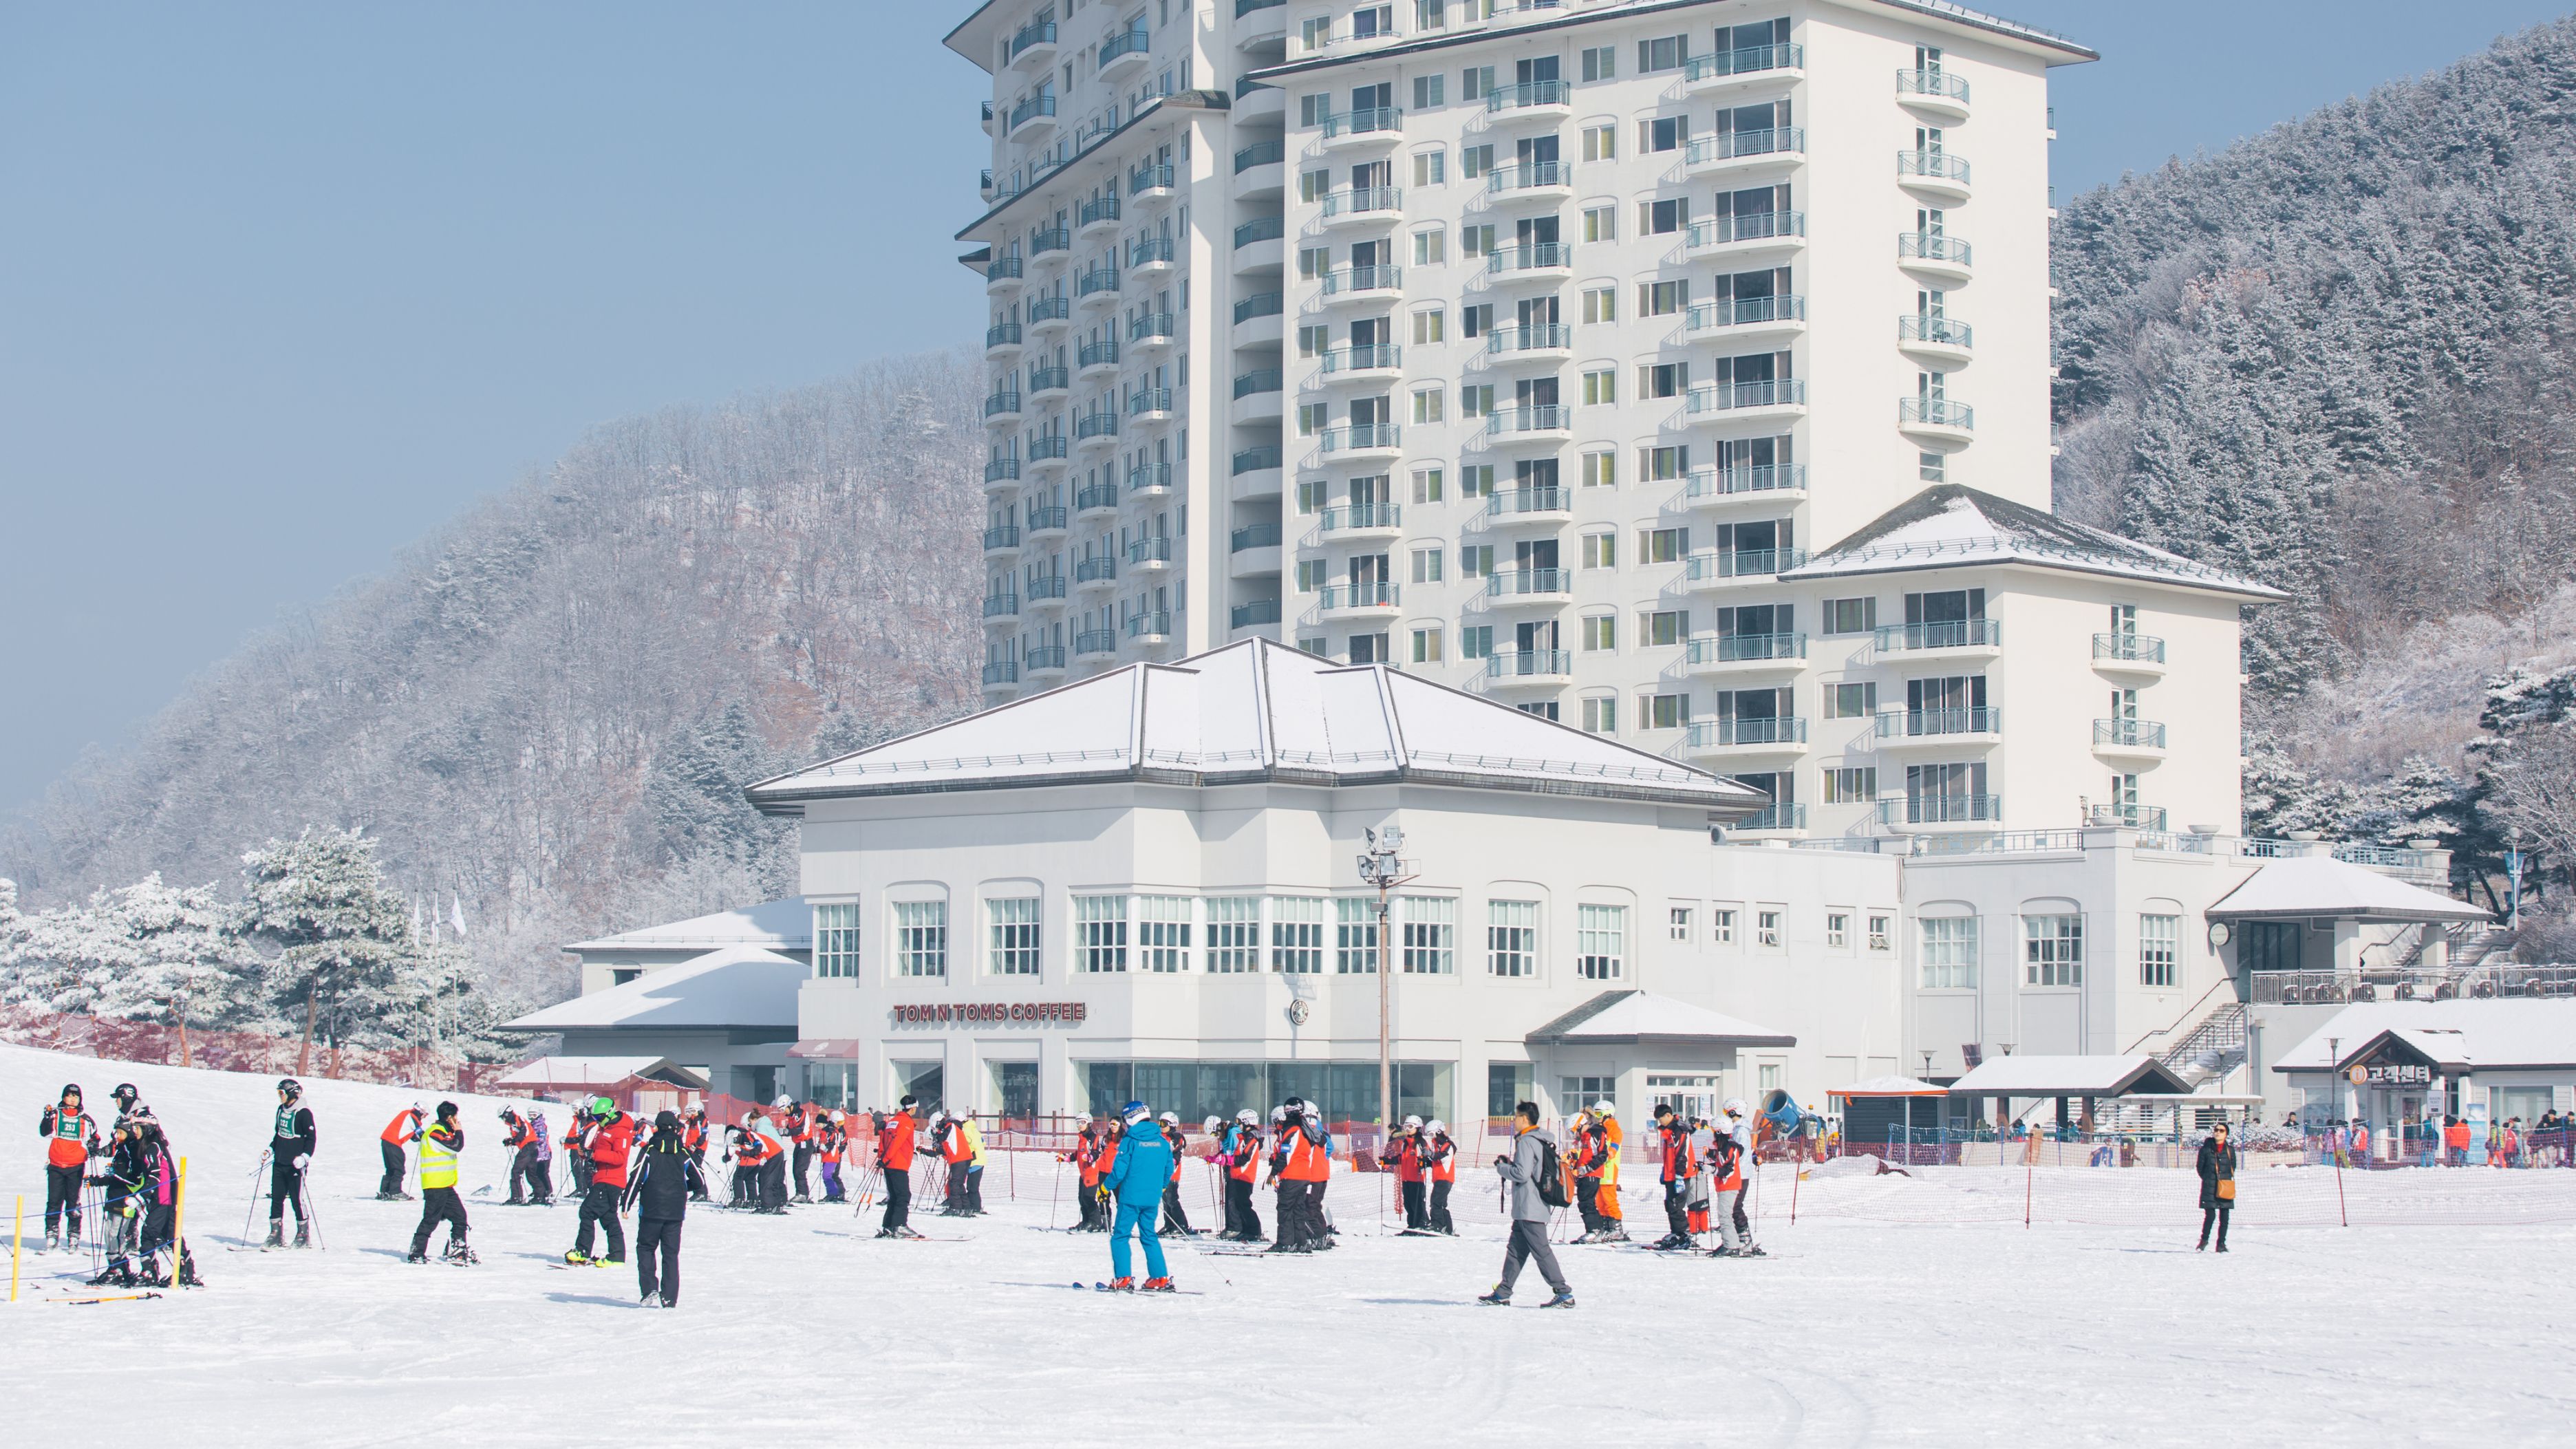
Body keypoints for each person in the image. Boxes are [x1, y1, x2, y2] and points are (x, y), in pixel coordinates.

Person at [1479, 1101, 1574, 1309]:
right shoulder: (1539, 1140)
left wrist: (1503, 1168)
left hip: (1530, 1208)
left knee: (1541, 1251)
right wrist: (1510, 1164)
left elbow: (1521, 1174)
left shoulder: (1526, 1142)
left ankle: (1563, 1293)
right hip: (1528, 1208)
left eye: (1516, 1117)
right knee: (1515, 1250)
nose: (1514, 1121)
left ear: (1524, 1119)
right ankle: (1503, 1292)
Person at [1102, 1101, 1177, 1291]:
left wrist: (1105, 1188)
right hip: (1152, 1198)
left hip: (1130, 1198)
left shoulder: (1130, 1141)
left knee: (1120, 1236)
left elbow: (1119, 1171)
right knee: (1149, 1235)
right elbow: (1169, 1168)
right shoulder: (1161, 1141)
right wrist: (1161, 1187)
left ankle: (1123, 1278)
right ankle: (1159, 1277)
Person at [623, 1110, 695, 1308]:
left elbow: (636, 1178)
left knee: (646, 1248)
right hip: (675, 1212)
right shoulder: (683, 1152)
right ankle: (670, 1298)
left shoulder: (650, 1150)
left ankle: (649, 1289)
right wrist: (679, 1187)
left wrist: (626, 1204)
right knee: (670, 1254)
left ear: (656, 1128)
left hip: (651, 1210)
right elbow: (699, 1181)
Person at [565, 1095, 632, 1266]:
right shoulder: (604, 1129)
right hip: (602, 1178)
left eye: (600, 1118)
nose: (597, 1121)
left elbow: (619, 1157)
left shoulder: (621, 1131)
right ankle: (617, 1256)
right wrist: (588, 1155)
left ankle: (583, 1251)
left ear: (609, 1114)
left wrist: (595, 1155)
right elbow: (600, 1151)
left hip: (611, 1180)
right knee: (608, 1217)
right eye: (595, 1118)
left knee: (587, 1211)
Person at [407, 1102, 475, 1265]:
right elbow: (456, 1147)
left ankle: (457, 1251)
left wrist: (454, 1130)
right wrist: (458, 1131)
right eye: (455, 1117)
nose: (458, 1120)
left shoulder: (442, 1131)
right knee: (430, 1220)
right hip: (435, 1186)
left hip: (445, 1185)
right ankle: (416, 1253)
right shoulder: (434, 1132)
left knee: (460, 1218)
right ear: (449, 1118)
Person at [90, 1114, 151, 1286]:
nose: (117, 1136)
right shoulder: (122, 1149)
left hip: (125, 1200)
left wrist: (116, 1174)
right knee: (109, 1233)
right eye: (116, 1132)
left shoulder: (134, 1150)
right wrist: (97, 1180)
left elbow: (136, 1178)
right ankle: (114, 1267)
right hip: (114, 1197)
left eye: (120, 1132)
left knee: (116, 1234)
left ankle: (120, 1269)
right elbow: (116, 1176)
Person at [38, 1083, 98, 1252]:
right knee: (54, 1202)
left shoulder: (85, 1119)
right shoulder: (56, 1114)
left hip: (76, 1166)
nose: (72, 1099)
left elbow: (94, 1137)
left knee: (73, 1202)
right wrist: (47, 1117)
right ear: (64, 1097)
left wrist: (94, 1145)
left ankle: (73, 1235)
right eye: (69, 1095)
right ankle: (52, 1233)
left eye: (76, 1096)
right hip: (56, 1165)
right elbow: (44, 1132)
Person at [267, 1077, 318, 1249]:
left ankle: (303, 1234)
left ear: (292, 1093)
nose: (280, 1096)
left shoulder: (304, 1113)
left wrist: (304, 1157)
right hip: (280, 1162)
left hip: (296, 1164)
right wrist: (270, 1149)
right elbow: (279, 1134)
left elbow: (311, 1139)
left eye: (282, 1093)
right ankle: (275, 1234)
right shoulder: (281, 1110)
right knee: (277, 1197)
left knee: (296, 1198)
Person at [1707, 1118, 1757, 1257]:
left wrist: (1712, 1170)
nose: (1713, 1134)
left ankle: (1731, 1245)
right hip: (1726, 1184)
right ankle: (1731, 1243)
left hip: (1728, 1184)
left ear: (1720, 1131)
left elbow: (1728, 1169)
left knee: (1725, 1215)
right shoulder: (1725, 1146)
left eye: (1714, 1131)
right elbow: (1724, 1162)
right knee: (1725, 1214)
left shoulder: (1728, 1146)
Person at [875, 1095, 923, 1238]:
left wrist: (882, 1158)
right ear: (913, 1107)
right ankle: (900, 1225)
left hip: (889, 1163)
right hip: (898, 1163)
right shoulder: (906, 1122)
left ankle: (889, 1226)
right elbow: (897, 1143)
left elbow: (883, 1139)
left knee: (894, 1196)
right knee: (903, 1195)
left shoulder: (892, 1121)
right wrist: (886, 1157)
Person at [1651, 1106, 1698, 1249]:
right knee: (1670, 1204)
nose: (1660, 1122)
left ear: (1667, 1116)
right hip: (1671, 1174)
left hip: (1681, 1174)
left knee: (1676, 1205)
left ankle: (1684, 1235)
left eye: (1660, 1119)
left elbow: (1681, 1155)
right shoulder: (1670, 1131)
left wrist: (1679, 1176)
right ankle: (1676, 1233)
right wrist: (1665, 1172)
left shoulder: (1679, 1130)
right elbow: (1669, 1156)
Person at [1218, 1109, 1264, 1242]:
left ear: (1247, 1122)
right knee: (1238, 1204)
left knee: (1244, 1204)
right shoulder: (1244, 1137)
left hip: (1245, 1175)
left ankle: (1254, 1230)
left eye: (1239, 1122)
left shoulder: (1251, 1137)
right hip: (1239, 1174)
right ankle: (1246, 1230)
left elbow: (1244, 1158)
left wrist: (1227, 1160)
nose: (1238, 1126)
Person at [1722, 1098, 1759, 1253]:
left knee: (1735, 1207)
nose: (1725, 1115)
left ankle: (1745, 1240)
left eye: (1726, 1112)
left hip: (1741, 1174)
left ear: (1733, 1111)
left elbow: (1739, 1153)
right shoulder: (1736, 1129)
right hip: (1738, 1173)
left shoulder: (1740, 1131)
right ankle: (1739, 1238)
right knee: (1733, 1207)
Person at [2196, 1121, 2237, 1253]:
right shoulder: (2206, 1149)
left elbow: (2233, 1167)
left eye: (2221, 1131)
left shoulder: (2230, 1150)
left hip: (2225, 1186)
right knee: (2210, 1216)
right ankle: (2204, 1240)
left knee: (2224, 1217)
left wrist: (2224, 1179)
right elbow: (2200, 1168)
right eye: (2216, 1130)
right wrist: (2209, 1178)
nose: (2218, 1132)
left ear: (2226, 1134)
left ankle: (2221, 1244)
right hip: (2210, 1186)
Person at [1381, 1115, 1428, 1231]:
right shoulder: (1406, 1143)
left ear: (1417, 1128)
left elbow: (1427, 1156)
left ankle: (1420, 1225)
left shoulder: (1421, 1142)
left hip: (1417, 1179)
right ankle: (1411, 1225)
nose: (1407, 1129)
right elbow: (1401, 1159)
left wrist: (1423, 1161)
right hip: (1406, 1178)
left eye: (1410, 1127)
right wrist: (1387, 1160)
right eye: (1406, 1127)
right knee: (1407, 1203)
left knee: (1416, 1203)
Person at [1593, 1101, 1627, 1241]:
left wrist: (1604, 1156)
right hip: (1600, 1170)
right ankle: (1607, 1225)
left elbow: (1613, 1149)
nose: (1597, 1117)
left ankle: (1617, 1228)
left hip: (1609, 1169)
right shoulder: (1600, 1129)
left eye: (1599, 1114)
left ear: (1608, 1114)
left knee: (1609, 1199)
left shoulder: (1614, 1129)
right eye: (1596, 1114)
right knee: (1600, 1200)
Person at [1156, 1110, 1194, 1235]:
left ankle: (1181, 1224)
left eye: (1163, 1123)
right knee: (1166, 1201)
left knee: (1172, 1200)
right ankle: (1169, 1224)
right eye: (1160, 1123)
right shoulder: (1160, 1137)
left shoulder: (1176, 1137)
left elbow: (1177, 1153)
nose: (1161, 1126)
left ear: (1172, 1124)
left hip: (1172, 1175)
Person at [1423, 1120, 1457, 1234]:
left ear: (1438, 1131)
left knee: (1435, 1202)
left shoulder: (1448, 1145)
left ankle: (1437, 1225)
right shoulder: (1439, 1146)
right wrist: (1426, 1161)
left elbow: (1441, 1157)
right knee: (1441, 1204)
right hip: (1440, 1179)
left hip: (1445, 1179)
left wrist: (1431, 1154)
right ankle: (1447, 1228)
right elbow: (1436, 1161)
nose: (1431, 1137)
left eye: (1432, 1134)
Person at [782, 1097, 817, 1203]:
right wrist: (784, 1131)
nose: (783, 1112)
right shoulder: (792, 1116)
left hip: (805, 1144)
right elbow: (790, 1129)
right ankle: (801, 1192)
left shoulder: (800, 1114)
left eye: (783, 1109)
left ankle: (803, 1193)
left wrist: (788, 1132)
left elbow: (799, 1129)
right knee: (795, 1169)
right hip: (799, 1144)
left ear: (789, 1105)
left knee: (799, 1170)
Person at [500, 1107, 537, 1205]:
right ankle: (540, 1196)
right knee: (531, 1173)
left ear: (507, 1114)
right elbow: (520, 1137)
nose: (503, 1120)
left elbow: (524, 1133)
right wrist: (511, 1141)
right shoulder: (514, 1123)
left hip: (528, 1147)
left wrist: (513, 1140)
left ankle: (517, 1197)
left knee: (516, 1172)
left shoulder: (518, 1119)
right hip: (530, 1147)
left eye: (503, 1117)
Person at [958, 1110, 988, 1214]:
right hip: (979, 1160)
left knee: (972, 1187)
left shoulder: (966, 1130)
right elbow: (983, 1142)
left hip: (975, 1161)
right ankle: (974, 1206)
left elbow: (972, 1144)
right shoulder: (974, 1129)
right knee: (972, 1186)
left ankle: (976, 1207)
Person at [818, 1110, 848, 1203]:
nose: (840, 1125)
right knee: (831, 1175)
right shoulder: (829, 1130)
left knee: (830, 1175)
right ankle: (837, 1193)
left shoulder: (841, 1131)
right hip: (830, 1156)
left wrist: (834, 1149)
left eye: (842, 1123)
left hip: (835, 1156)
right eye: (839, 1123)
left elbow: (840, 1143)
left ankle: (837, 1193)